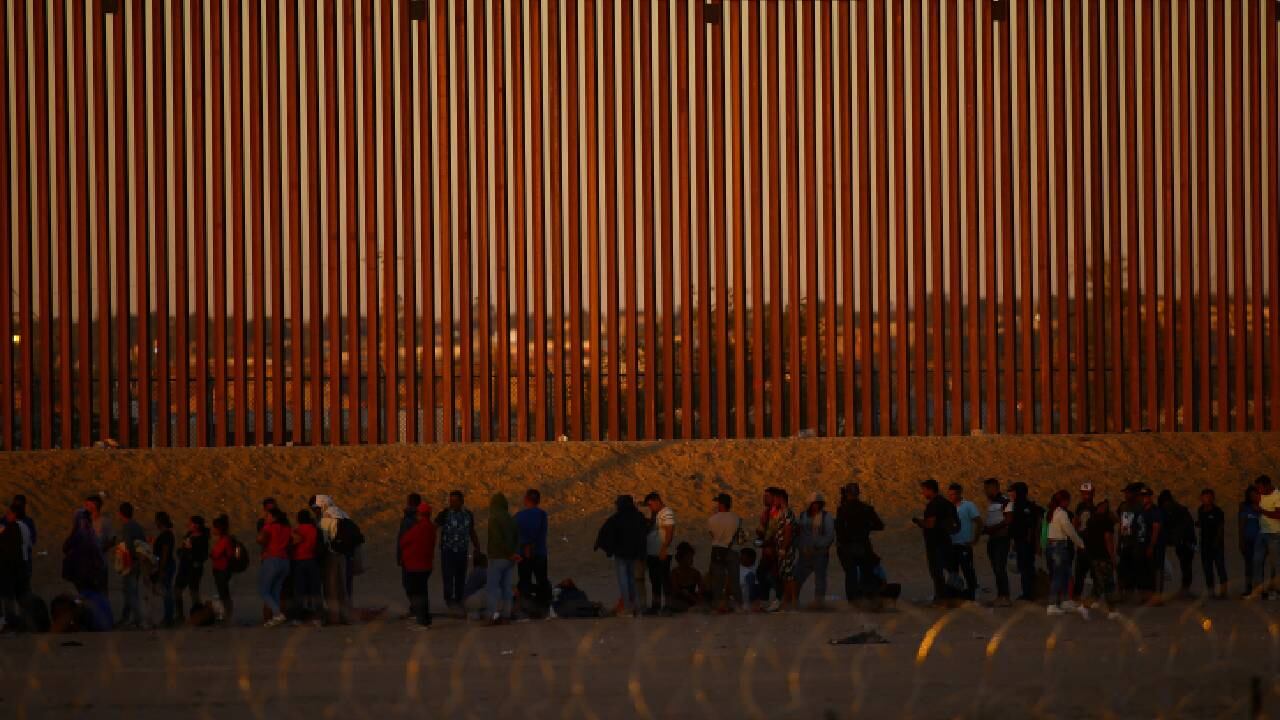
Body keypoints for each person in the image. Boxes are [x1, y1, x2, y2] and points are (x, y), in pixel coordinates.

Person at [594, 495, 649, 617]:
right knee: (632, 580)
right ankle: (635, 607)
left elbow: (605, 532)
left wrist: (607, 548)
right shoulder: (638, 517)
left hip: (621, 554)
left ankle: (628, 607)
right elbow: (644, 533)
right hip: (635, 553)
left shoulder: (617, 518)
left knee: (624, 580)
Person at [834, 483, 885, 603]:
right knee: (866, 570)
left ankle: (853, 600)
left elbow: (839, 529)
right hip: (863, 545)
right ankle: (869, 597)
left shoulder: (842, 509)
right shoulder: (866, 508)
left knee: (851, 573)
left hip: (847, 546)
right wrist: (866, 527)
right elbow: (879, 525)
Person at [61, 509, 111, 631]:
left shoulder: (79, 534)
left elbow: (66, 547)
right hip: (90, 572)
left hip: (80, 572)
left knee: (84, 597)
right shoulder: (91, 533)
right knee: (90, 597)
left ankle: (88, 622)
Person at [913, 480, 959, 605]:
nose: (923, 493)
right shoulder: (947, 503)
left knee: (936, 571)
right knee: (949, 569)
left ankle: (942, 598)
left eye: (924, 490)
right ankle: (951, 595)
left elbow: (930, 523)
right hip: (946, 541)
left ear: (929, 489)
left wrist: (919, 522)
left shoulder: (934, 504)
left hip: (935, 542)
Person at [435, 491, 481, 613]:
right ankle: (450, 602)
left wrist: (477, 546)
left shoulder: (468, 515)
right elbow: (433, 527)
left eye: (455, 501)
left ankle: (459, 601)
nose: (452, 503)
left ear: (462, 502)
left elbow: (471, 531)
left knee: (460, 578)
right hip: (448, 552)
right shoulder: (444, 514)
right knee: (448, 578)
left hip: (462, 551)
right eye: (451, 501)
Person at [1045, 490, 1086, 617]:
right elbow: (1070, 530)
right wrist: (1080, 543)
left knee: (1065, 574)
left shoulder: (1053, 513)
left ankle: (1065, 601)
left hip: (1052, 546)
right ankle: (1052, 605)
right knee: (1058, 576)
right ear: (1064, 501)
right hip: (1059, 547)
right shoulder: (1062, 514)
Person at [314, 495, 352, 624]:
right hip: (343, 555)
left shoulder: (326, 517)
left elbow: (325, 539)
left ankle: (334, 618)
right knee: (343, 588)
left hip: (331, 555)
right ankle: (346, 618)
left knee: (331, 588)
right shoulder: (343, 514)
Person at [398, 502, 436, 630]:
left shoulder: (418, 528)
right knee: (423, 593)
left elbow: (403, 541)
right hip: (426, 565)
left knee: (417, 593)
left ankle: (422, 621)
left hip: (415, 566)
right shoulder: (430, 528)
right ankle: (424, 619)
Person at [1081, 497, 1121, 620]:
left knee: (1100, 584)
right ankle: (1111, 610)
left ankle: (1087, 606)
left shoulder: (1091, 520)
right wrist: (1113, 557)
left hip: (1094, 556)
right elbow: (1108, 539)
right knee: (1108, 583)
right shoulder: (1106, 522)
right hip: (1104, 556)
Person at [794, 492, 835, 608]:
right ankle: (794, 601)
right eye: (813, 503)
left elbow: (830, 536)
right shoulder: (803, 516)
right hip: (804, 554)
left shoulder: (826, 517)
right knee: (797, 578)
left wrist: (818, 545)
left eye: (818, 503)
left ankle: (819, 604)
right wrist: (799, 546)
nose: (815, 506)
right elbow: (798, 533)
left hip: (819, 554)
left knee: (820, 580)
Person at [515, 489, 552, 613]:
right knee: (542, 580)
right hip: (540, 553)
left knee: (525, 581)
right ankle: (544, 607)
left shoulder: (519, 516)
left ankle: (526, 607)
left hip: (524, 554)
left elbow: (514, 533)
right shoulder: (542, 514)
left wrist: (526, 546)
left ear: (526, 499)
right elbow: (538, 531)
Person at [706, 492, 743, 612]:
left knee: (718, 580)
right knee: (734, 580)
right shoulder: (736, 518)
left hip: (717, 549)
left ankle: (717, 605)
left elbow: (712, 535)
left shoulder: (712, 519)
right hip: (731, 550)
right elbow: (737, 535)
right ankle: (739, 605)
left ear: (721, 504)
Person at [485, 493, 519, 624]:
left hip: (498, 557)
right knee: (506, 588)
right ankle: (506, 615)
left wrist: (508, 553)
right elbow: (517, 538)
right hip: (510, 560)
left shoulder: (494, 518)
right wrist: (513, 554)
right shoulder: (510, 519)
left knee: (492, 588)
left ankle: (491, 615)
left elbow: (497, 539)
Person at [1005, 482, 1042, 603]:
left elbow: (1031, 526)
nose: (1012, 494)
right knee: (1025, 567)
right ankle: (1028, 592)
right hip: (1021, 541)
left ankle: (1028, 593)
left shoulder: (1023, 507)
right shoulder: (1021, 505)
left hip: (1025, 542)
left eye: (1014, 491)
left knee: (1025, 568)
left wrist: (1029, 541)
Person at [946, 484, 982, 602]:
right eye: (949, 494)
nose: (951, 497)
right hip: (951, 545)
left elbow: (979, 522)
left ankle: (973, 593)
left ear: (960, 493)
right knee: (953, 572)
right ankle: (955, 594)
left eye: (953, 494)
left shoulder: (968, 505)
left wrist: (975, 539)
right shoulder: (948, 507)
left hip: (964, 544)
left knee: (968, 570)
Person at [257, 508, 292, 627]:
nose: (266, 517)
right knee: (276, 591)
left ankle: (278, 614)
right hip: (285, 561)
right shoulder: (287, 528)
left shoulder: (269, 527)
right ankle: (275, 619)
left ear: (274, 517)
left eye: (268, 515)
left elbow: (260, 539)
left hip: (272, 559)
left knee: (264, 591)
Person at [981, 479, 1013, 607]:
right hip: (993, 539)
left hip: (1001, 539)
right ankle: (1001, 596)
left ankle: (1004, 597)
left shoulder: (1005, 501)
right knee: (996, 568)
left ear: (995, 488)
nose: (985, 491)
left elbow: (1008, 520)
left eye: (987, 488)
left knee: (1000, 568)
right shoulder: (993, 503)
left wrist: (992, 529)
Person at [1159, 490, 1196, 597]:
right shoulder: (1172, 511)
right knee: (1185, 565)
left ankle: (1185, 589)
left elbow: (1184, 529)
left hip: (1187, 542)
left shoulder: (1179, 511)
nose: (1166, 504)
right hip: (1183, 542)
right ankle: (1185, 589)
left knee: (1186, 565)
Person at [644, 492, 676, 615]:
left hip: (662, 552)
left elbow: (670, 531)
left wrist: (664, 548)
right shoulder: (655, 514)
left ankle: (667, 605)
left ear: (657, 501)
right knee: (654, 579)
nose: (650, 507)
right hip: (652, 552)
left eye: (650, 504)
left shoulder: (667, 512)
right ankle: (655, 605)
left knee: (664, 578)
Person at [116, 502, 147, 628]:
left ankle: (137, 619)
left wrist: (129, 561)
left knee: (130, 591)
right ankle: (127, 617)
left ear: (120, 513)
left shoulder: (128, 527)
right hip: (138, 562)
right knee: (130, 591)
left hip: (131, 563)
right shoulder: (137, 526)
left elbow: (128, 546)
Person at [1251, 475, 1280, 600]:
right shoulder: (1260, 495)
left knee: (1275, 564)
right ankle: (1258, 591)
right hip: (1262, 532)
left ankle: (1275, 591)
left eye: (1260, 487)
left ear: (1267, 485)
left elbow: (1278, 515)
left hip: (1275, 533)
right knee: (1257, 562)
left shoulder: (1278, 495)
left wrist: (1261, 510)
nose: (1259, 490)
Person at [176, 516, 209, 621]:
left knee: (193, 592)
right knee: (177, 590)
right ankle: (180, 615)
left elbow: (203, 556)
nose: (188, 525)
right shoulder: (188, 535)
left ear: (196, 525)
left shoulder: (202, 538)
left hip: (193, 569)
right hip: (184, 567)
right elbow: (182, 550)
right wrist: (182, 551)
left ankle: (198, 616)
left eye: (190, 523)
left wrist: (191, 551)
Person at [292, 509, 322, 624]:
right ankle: (318, 617)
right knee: (315, 591)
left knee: (299, 591)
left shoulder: (297, 530)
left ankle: (298, 618)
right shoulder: (315, 529)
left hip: (299, 561)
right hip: (312, 561)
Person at [0, 504, 27, 631]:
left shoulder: (12, 528)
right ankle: (13, 621)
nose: (6, 515)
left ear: (14, 514)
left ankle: (10, 622)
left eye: (8, 513)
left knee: (8, 596)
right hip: (16, 567)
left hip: (8, 568)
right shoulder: (19, 527)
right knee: (14, 595)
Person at [1196, 489, 1227, 598]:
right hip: (1205, 544)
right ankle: (1211, 591)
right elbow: (1201, 524)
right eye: (1204, 497)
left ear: (1213, 498)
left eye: (1208, 497)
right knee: (1207, 569)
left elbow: (1220, 528)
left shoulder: (1218, 511)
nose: (1206, 499)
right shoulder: (1200, 510)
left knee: (1220, 567)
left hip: (1216, 544)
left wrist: (1217, 542)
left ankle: (1223, 592)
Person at [1070, 483, 1098, 602]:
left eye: (1088, 493)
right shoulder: (1080, 507)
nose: (1086, 495)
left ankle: (1094, 596)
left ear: (1093, 493)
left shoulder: (1096, 508)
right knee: (1079, 571)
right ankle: (1077, 595)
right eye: (1084, 493)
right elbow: (1076, 522)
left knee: (1094, 571)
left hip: (1092, 544)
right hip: (1082, 543)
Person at [152, 512, 178, 627]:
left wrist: (161, 569)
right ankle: (168, 618)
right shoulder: (166, 534)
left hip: (166, 565)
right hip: (167, 564)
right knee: (166, 591)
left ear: (160, 522)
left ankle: (168, 619)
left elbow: (165, 553)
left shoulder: (166, 535)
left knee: (167, 591)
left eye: (156, 520)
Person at [397, 492, 423, 606]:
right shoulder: (418, 517)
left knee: (409, 583)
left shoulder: (412, 519)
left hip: (410, 556)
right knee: (413, 583)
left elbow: (403, 539)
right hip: (414, 556)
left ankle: (415, 606)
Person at [210, 515, 235, 624]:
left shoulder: (224, 540)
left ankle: (227, 616)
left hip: (222, 569)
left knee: (223, 593)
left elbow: (216, 554)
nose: (213, 529)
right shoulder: (224, 539)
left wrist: (211, 552)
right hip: (221, 568)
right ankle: (227, 616)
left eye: (214, 527)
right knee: (224, 593)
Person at [668, 542, 706, 613]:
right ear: (681, 558)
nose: (691, 559)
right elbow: (674, 590)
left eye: (692, 557)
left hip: (691, 600)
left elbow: (701, 589)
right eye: (688, 557)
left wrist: (698, 595)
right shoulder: (675, 573)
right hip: (679, 601)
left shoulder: (695, 573)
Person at [1240, 485, 1263, 597]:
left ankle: (1259, 589)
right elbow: (1241, 525)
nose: (1254, 497)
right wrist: (1241, 541)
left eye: (1256, 495)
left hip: (1261, 541)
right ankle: (1248, 589)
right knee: (1249, 565)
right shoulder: (1245, 507)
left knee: (1260, 565)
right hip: (1249, 540)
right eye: (1251, 495)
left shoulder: (1264, 507)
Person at [462, 553, 490, 619]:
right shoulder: (482, 571)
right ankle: (475, 613)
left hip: (466, 601)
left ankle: (475, 613)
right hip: (471, 601)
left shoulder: (474, 571)